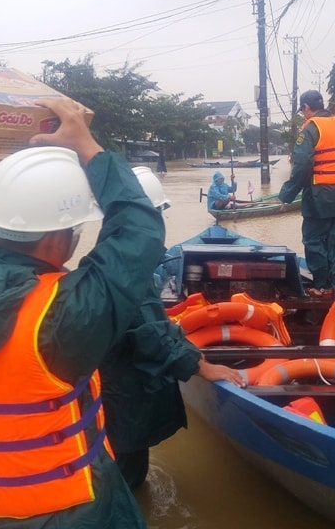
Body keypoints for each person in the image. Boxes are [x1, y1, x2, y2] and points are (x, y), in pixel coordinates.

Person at [0, 97, 164, 529]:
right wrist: (89, 148)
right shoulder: (63, 315)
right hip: (69, 513)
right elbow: (139, 233)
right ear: (55, 238)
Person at [102, 167, 245, 489]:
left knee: (117, 464)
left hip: (111, 390)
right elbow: (152, 334)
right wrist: (201, 366)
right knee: (127, 474)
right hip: (125, 395)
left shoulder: (108, 256)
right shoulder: (128, 270)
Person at [277, 90, 335, 298]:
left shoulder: (311, 128)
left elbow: (302, 165)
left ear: (306, 107)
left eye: (303, 110)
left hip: (319, 193)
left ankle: (322, 287)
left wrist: (286, 195)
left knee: (313, 240)